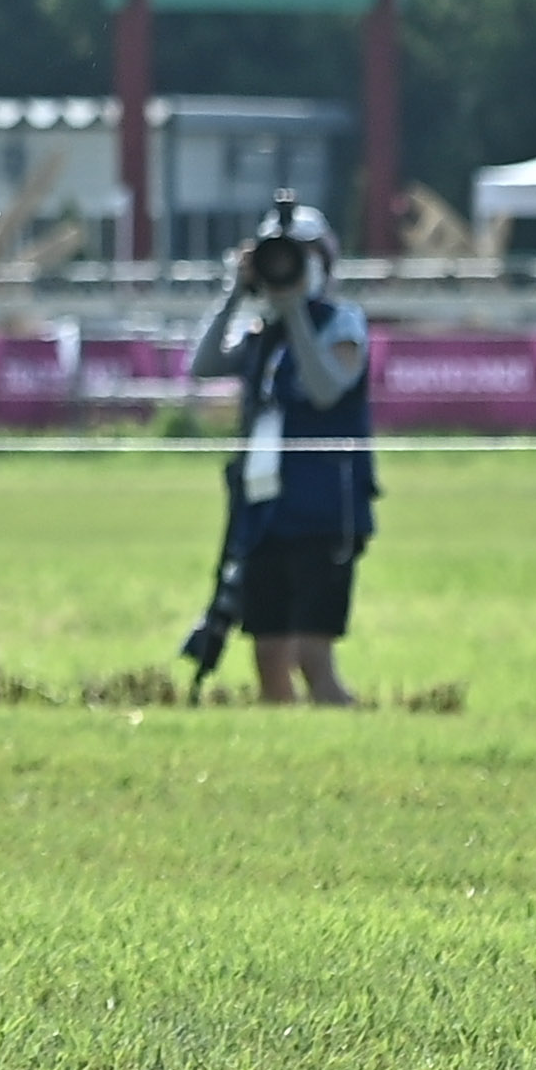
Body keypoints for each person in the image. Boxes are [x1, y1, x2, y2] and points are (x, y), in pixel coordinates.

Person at [184, 195, 377, 705]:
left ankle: (349, 742)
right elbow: (202, 365)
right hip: (265, 512)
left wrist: (296, 314)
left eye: (303, 254)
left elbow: (325, 389)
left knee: (313, 657)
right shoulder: (261, 333)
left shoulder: (341, 323)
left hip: (323, 510)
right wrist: (236, 293)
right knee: (268, 655)